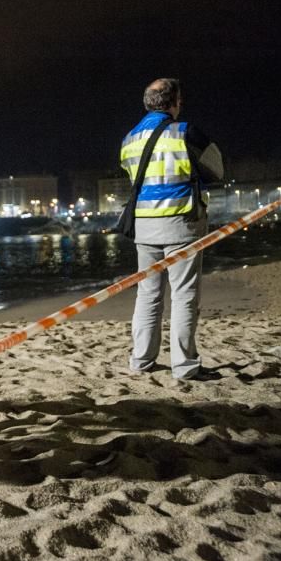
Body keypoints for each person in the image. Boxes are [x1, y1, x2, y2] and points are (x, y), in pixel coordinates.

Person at [120, 78, 224, 380]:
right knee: (184, 295)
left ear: (147, 103)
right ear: (174, 102)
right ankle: (185, 365)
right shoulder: (184, 131)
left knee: (148, 294)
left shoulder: (129, 139)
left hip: (144, 225)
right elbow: (216, 170)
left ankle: (141, 360)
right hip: (181, 224)